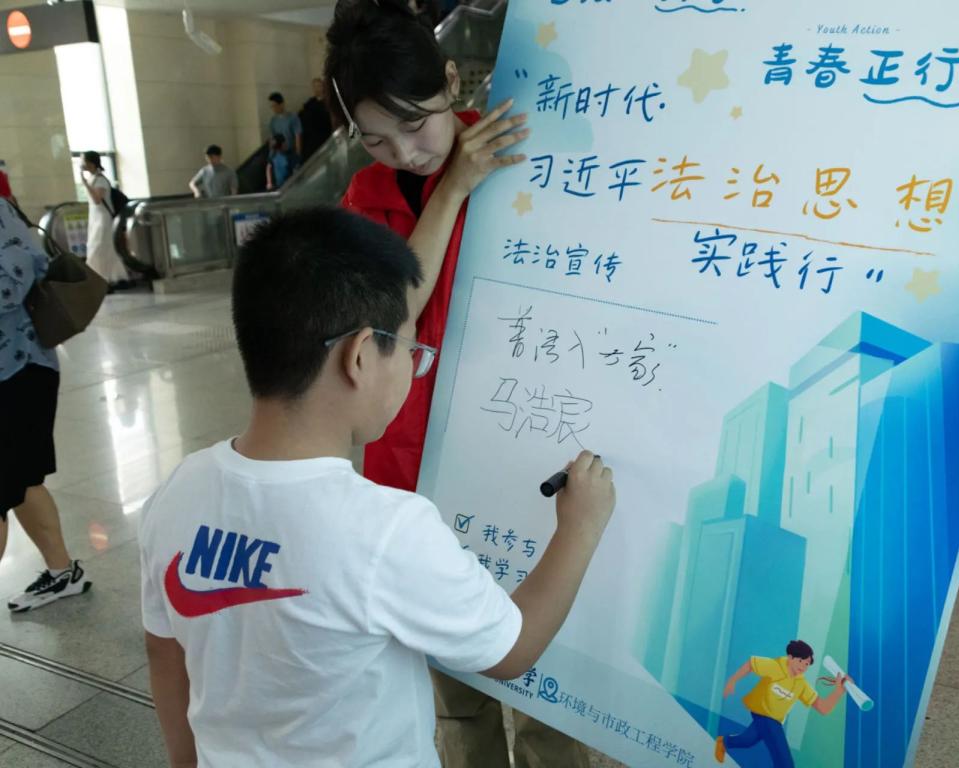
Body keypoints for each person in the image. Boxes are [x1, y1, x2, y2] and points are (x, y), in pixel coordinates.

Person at [139, 207, 616, 767]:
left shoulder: (178, 490)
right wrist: (581, 527)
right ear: (361, 355)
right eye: (411, 350)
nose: (414, 367)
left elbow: (164, 651)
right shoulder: (386, 530)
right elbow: (512, 650)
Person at [325, 2, 592, 765]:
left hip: (521, 447)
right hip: (412, 470)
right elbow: (390, 321)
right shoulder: (364, 200)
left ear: (450, 80)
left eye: (415, 124)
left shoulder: (522, 151)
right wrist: (451, 189)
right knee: (455, 686)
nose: (404, 152)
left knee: (540, 684)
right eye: (376, 138)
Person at [0, 198, 91, 611]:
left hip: (19, 368)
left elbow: (17, 274)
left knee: (11, 480)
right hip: (13, 371)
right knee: (22, 480)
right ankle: (62, 572)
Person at [716, 640, 850, 767]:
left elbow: (823, 708)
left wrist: (838, 691)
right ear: (790, 658)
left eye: (807, 664)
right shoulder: (775, 666)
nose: (803, 666)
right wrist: (733, 680)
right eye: (800, 661)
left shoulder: (801, 685)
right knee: (785, 763)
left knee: (748, 740)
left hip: (775, 719)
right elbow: (751, 664)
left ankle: (724, 742)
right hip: (764, 715)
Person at [79, 151, 131, 291]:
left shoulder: (100, 180)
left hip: (103, 220)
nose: (81, 164)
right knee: (106, 249)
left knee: (98, 249)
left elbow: (97, 199)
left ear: (91, 163)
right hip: (95, 218)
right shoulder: (93, 179)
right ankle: (117, 278)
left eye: (83, 161)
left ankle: (101, 281)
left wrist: (85, 184)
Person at [299, 78, 334, 163]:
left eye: (318, 86)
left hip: (324, 137)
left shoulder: (328, 102)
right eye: (314, 86)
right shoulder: (309, 103)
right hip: (311, 140)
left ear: (323, 87)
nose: (316, 89)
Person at [267, 91, 303, 158]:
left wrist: (298, 155)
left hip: (291, 153)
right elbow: (272, 140)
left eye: (275, 105)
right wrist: (271, 157)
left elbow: (298, 138)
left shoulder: (293, 118)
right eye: (271, 106)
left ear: (281, 104)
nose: (273, 108)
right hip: (279, 155)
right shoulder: (273, 121)